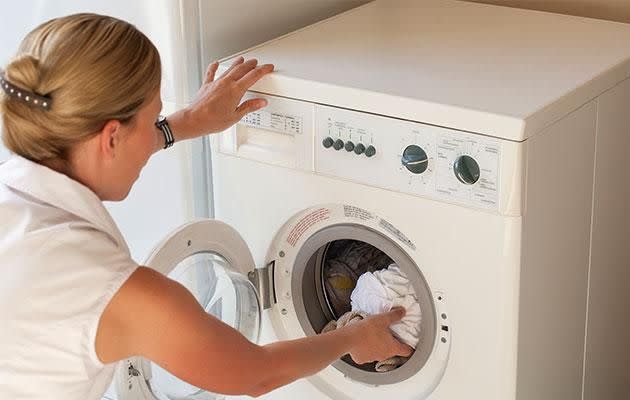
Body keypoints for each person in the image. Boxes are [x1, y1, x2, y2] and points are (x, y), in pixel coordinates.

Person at [0, 13, 412, 399]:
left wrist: (180, 124)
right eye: (151, 122)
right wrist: (356, 337)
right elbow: (252, 373)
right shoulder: (110, 288)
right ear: (110, 138)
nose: (153, 137)